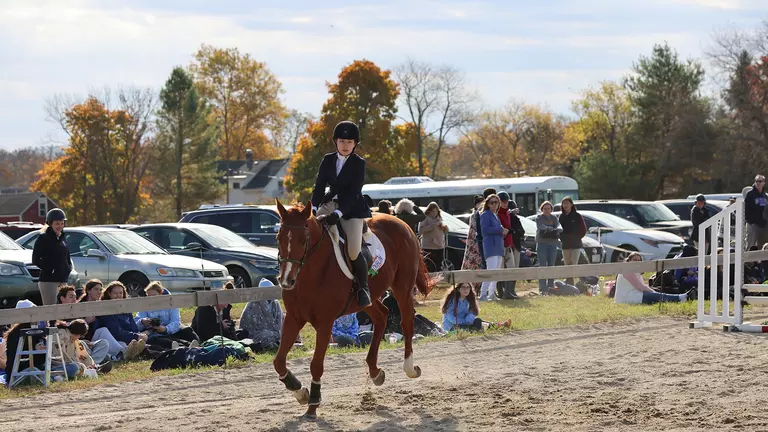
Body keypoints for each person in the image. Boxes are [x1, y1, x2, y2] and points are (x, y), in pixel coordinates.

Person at [310, 120, 373, 308]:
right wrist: (313, 209)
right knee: (311, 232)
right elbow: (319, 185)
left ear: (354, 144)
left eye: (349, 142)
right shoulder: (327, 159)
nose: (345, 145)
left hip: (352, 209)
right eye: (342, 141)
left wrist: (338, 213)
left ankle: (363, 288)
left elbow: (354, 192)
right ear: (335, 142)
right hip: (330, 202)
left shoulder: (358, 163)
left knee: (353, 250)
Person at [57, 284, 110, 369]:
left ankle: (93, 364)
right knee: (83, 345)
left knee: (103, 343)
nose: (74, 299)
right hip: (72, 345)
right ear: (62, 298)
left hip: (84, 342)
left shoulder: (78, 311)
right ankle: (94, 367)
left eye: (75, 297)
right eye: (71, 297)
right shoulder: (57, 313)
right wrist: (86, 321)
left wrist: (88, 342)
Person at [135, 282, 200, 349]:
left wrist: (166, 329)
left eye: (154, 295)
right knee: (159, 340)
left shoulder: (171, 303)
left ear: (160, 294)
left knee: (187, 330)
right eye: (149, 296)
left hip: (171, 330)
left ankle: (197, 345)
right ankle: (183, 347)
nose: (151, 299)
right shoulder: (144, 306)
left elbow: (176, 322)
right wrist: (142, 321)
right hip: (154, 334)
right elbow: (136, 325)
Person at [94, 281, 146, 360]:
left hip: (121, 339)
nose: (118, 296)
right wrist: (135, 336)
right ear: (109, 293)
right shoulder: (106, 310)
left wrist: (137, 336)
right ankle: (124, 352)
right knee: (104, 331)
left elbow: (134, 327)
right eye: (115, 293)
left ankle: (132, 351)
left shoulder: (126, 310)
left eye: (120, 293)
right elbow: (116, 332)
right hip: (107, 339)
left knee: (128, 343)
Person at [31, 208, 73, 305]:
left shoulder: (62, 238)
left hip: (63, 279)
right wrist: (50, 269)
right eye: (57, 223)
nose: (60, 226)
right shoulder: (43, 238)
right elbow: (35, 259)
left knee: (63, 308)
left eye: (62, 223)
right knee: (50, 310)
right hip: (48, 281)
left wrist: (68, 268)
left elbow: (67, 257)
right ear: (50, 223)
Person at [615, 253, 690, 304]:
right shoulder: (627, 270)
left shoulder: (636, 271)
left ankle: (681, 297)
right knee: (655, 295)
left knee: (658, 292)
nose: (637, 262)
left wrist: (652, 290)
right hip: (626, 298)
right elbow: (640, 286)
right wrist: (653, 291)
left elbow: (641, 286)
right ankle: (680, 298)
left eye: (639, 260)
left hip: (635, 294)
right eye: (635, 260)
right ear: (629, 260)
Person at [440, 283, 510, 332]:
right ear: (458, 289)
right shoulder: (452, 300)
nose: (466, 289)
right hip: (453, 326)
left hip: (466, 323)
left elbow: (473, 312)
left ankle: (498, 325)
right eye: (463, 287)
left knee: (478, 321)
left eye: (468, 287)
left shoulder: (469, 299)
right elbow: (449, 316)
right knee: (467, 328)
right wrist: (463, 322)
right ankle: (480, 329)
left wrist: (470, 318)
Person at [238, 279, 283, 353]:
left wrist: (279, 332)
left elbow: (280, 320)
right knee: (266, 335)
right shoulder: (253, 304)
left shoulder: (275, 303)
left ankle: (276, 342)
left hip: (275, 331)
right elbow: (251, 327)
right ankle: (273, 343)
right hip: (256, 333)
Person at [479, 194, 507, 301]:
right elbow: (485, 230)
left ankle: (491, 294)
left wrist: (503, 231)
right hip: (491, 245)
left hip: (498, 245)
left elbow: (496, 230)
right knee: (490, 271)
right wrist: (500, 229)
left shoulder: (495, 215)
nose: (494, 204)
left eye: (496, 202)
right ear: (488, 204)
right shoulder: (485, 214)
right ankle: (482, 294)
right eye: (492, 202)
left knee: (496, 271)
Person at [558, 197, 587, 286]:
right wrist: (562, 238)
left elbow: (583, 229)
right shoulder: (561, 216)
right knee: (567, 263)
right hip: (565, 244)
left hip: (576, 244)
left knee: (573, 263)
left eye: (567, 203)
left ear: (571, 205)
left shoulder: (577, 216)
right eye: (564, 204)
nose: (565, 205)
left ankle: (574, 283)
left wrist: (577, 237)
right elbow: (558, 230)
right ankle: (569, 282)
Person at [536, 201, 562, 295]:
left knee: (551, 265)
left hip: (552, 244)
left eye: (549, 208)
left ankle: (550, 288)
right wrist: (550, 228)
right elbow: (541, 226)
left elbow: (559, 226)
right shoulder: (539, 217)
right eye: (545, 209)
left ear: (551, 209)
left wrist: (558, 229)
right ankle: (542, 289)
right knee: (542, 266)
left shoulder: (554, 217)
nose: (547, 210)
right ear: (542, 209)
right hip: (542, 244)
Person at [461, 195, 485, 295]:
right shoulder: (475, 215)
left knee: (479, 266)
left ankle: (477, 289)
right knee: (471, 266)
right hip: (473, 245)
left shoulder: (481, 214)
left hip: (478, 244)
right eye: (479, 203)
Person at [497, 192, 518, 299]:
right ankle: (500, 292)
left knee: (511, 268)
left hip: (508, 244)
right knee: (500, 269)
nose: (505, 204)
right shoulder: (497, 214)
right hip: (500, 244)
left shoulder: (507, 213)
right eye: (503, 202)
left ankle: (509, 291)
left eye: (506, 202)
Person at [419, 202, 449, 273]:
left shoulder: (439, 218)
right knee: (429, 265)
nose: (434, 213)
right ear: (429, 211)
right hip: (428, 246)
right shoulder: (424, 218)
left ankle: (438, 280)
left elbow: (443, 228)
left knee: (438, 265)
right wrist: (431, 226)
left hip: (439, 245)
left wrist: (444, 228)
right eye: (432, 211)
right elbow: (420, 231)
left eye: (436, 211)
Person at [475, 188, 498, 270]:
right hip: (485, 240)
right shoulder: (483, 211)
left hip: (486, 240)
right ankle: (485, 283)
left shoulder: (491, 211)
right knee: (488, 265)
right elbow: (483, 229)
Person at [507, 200, 525, 297]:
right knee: (508, 269)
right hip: (508, 246)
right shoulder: (506, 217)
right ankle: (506, 290)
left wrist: (515, 232)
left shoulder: (516, 219)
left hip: (516, 246)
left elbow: (522, 231)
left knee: (515, 268)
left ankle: (512, 290)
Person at [745, 175, 768, 249]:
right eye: (756, 181)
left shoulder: (765, 195)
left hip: (763, 225)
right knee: (750, 244)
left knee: (763, 245)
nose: (758, 183)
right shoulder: (750, 194)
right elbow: (746, 209)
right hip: (753, 224)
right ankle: (748, 260)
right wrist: (750, 221)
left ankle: (762, 261)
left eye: (760, 181)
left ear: (764, 183)